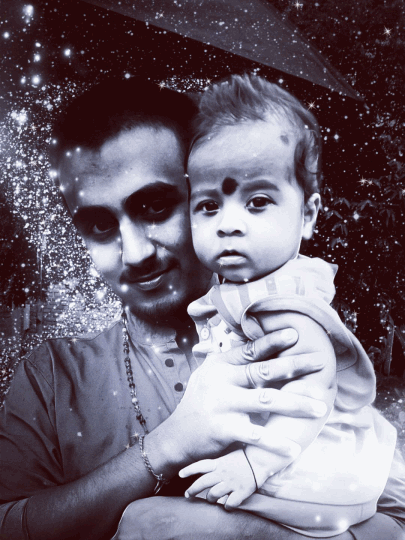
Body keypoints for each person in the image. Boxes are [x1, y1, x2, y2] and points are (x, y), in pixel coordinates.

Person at [0, 78, 403, 540]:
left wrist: (244, 534)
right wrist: (166, 446)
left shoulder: (288, 329)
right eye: (100, 225)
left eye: (155, 207)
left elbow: (395, 519)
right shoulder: (53, 377)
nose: (135, 253)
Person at [179, 74, 397, 537]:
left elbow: (313, 390)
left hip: (313, 478)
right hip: (313, 466)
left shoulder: (280, 302)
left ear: (308, 214)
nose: (228, 224)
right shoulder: (254, 285)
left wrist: (253, 466)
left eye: (257, 201)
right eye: (209, 205)